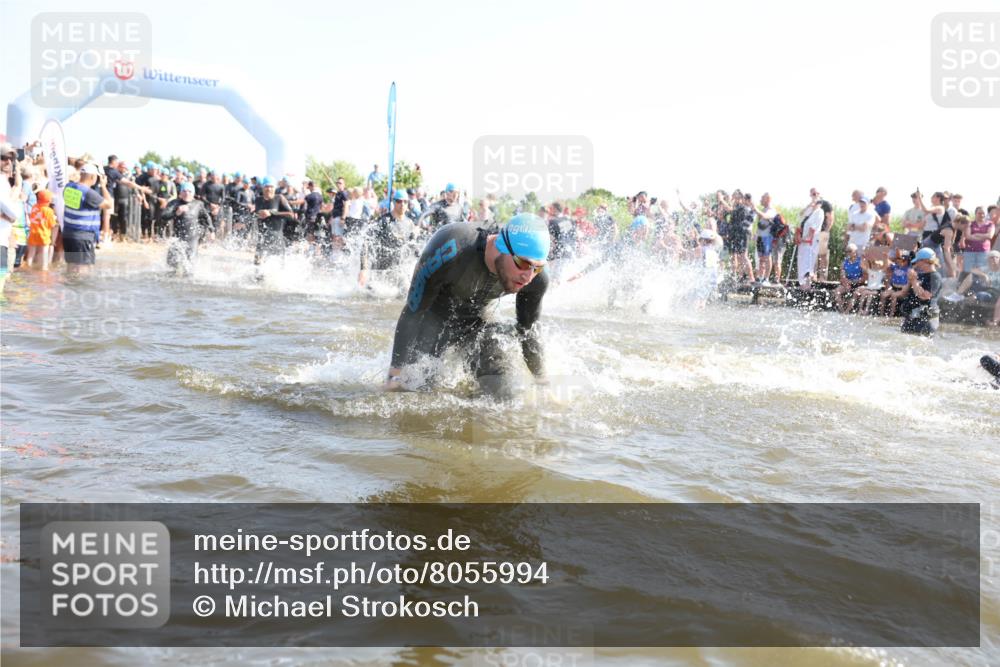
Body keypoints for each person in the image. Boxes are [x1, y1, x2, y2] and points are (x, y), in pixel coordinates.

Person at [385, 213, 550, 397]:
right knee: (418, 393)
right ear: (501, 246)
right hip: (433, 322)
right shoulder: (452, 247)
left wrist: (542, 381)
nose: (528, 277)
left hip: (478, 325)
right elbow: (413, 311)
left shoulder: (537, 279)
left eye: (538, 267)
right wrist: (394, 375)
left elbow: (527, 329)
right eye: (523, 263)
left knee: (503, 393)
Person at [358, 189, 418, 291]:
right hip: (379, 271)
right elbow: (366, 242)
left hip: (397, 271)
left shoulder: (410, 224)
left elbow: (414, 248)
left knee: (407, 291)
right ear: (394, 202)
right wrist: (363, 269)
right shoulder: (384, 221)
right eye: (399, 201)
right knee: (370, 298)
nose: (402, 204)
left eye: (405, 202)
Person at [62, 163, 112, 269]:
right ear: (93, 177)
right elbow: (108, 205)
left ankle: (69, 285)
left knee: (71, 266)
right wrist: (103, 186)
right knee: (84, 268)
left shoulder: (68, 187)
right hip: (83, 236)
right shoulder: (89, 193)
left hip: (68, 233)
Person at [160, 181, 213, 274]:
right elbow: (164, 216)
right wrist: (176, 213)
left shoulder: (198, 204)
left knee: (189, 269)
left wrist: (212, 231)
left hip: (192, 239)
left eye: (189, 191)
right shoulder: (174, 203)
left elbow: (206, 217)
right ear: (180, 193)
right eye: (184, 191)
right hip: (177, 238)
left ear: (193, 193)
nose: (187, 193)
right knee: (171, 267)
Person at [252, 177, 295, 267]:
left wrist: (271, 212)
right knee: (257, 268)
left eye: (271, 187)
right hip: (262, 239)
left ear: (274, 188)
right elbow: (255, 215)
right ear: (262, 188)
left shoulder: (279, 198)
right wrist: (256, 214)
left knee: (278, 268)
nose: (269, 189)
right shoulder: (258, 200)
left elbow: (291, 215)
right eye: (266, 186)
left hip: (277, 239)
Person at [899, 247, 943, 336]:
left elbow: (925, 296)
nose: (916, 264)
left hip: (925, 320)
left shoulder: (935, 277)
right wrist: (910, 280)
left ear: (925, 261)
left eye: (918, 261)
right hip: (912, 318)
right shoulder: (919, 275)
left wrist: (914, 281)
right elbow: (903, 292)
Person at [794, 199, 827, 287]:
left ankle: (807, 286)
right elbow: (799, 216)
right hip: (802, 241)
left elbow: (813, 228)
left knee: (807, 264)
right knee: (801, 263)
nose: (814, 202)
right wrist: (808, 206)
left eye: (816, 201)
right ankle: (802, 284)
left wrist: (804, 239)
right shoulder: (809, 211)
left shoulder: (819, 212)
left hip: (810, 242)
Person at [26, 189, 58, 270]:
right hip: (43, 235)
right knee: (44, 252)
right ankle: (44, 268)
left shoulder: (34, 207)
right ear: (49, 200)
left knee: (31, 253)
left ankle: (28, 266)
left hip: (33, 233)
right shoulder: (49, 211)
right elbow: (53, 224)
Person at [833, 243, 867, 313]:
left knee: (855, 293)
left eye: (850, 251)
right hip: (847, 283)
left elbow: (864, 278)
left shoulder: (861, 262)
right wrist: (846, 284)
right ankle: (841, 310)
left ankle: (847, 311)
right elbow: (842, 276)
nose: (848, 253)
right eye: (847, 251)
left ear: (855, 252)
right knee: (837, 291)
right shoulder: (844, 263)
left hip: (859, 284)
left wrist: (852, 282)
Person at [962, 206, 995, 273]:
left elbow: (990, 236)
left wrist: (976, 235)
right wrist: (983, 236)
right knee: (968, 271)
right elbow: (968, 236)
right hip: (970, 251)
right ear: (975, 214)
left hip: (984, 251)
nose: (982, 215)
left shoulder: (990, 224)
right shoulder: (970, 223)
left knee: (982, 271)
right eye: (979, 213)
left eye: (983, 213)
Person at [879, 249, 912, 317]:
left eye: (903, 260)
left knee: (894, 295)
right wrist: (885, 257)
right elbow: (888, 263)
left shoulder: (909, 269)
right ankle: (881, 314)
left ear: (906, 261)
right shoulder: (896, 266)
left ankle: (891, 314)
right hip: (894, 287)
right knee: (883, 295)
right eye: (899, 259)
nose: (900, 261)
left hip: (902, 289)